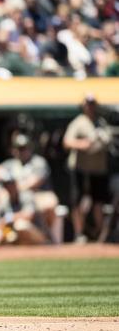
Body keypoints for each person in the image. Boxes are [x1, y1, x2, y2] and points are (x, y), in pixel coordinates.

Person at [0, 134, 62, 243]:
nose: (21, 151)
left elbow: (35, 183)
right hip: (16, 204)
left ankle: (49, 238)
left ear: (29, 148)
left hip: (37, 196)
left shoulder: (38, 162)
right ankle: (9, 239)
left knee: (47, 204)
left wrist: (13, 186)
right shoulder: (11, 164)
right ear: (13, 150)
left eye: (24, 148)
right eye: (18, 148)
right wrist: (4, 177)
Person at [63, 94, 112, 243]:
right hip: (80, 168)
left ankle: (100, 236)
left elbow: (109, 141)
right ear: (83, 105)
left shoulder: (101, 123)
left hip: (98, 169)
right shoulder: (78, 122)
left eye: (92, 104)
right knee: (78, 201)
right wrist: (84, 144)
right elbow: (67, 142)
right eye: (88, 104)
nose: (90, 107)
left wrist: (100, 142)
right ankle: (79, 235)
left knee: (98, 203)